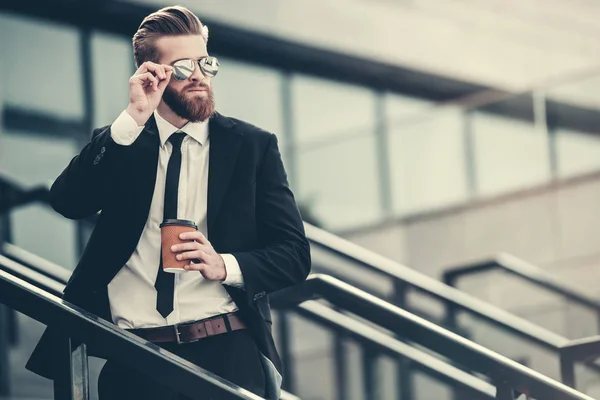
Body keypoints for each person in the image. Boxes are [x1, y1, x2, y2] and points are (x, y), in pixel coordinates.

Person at [26, 5, 311, 399]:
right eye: (181, 67)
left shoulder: (252, 147)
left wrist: (225, 265)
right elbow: (67, 201)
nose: (198, 75)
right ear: (151, 75)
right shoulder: (123, 141)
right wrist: (131, 118)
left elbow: (294, 254)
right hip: (134, 359)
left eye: (204, 63)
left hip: (226, 353)